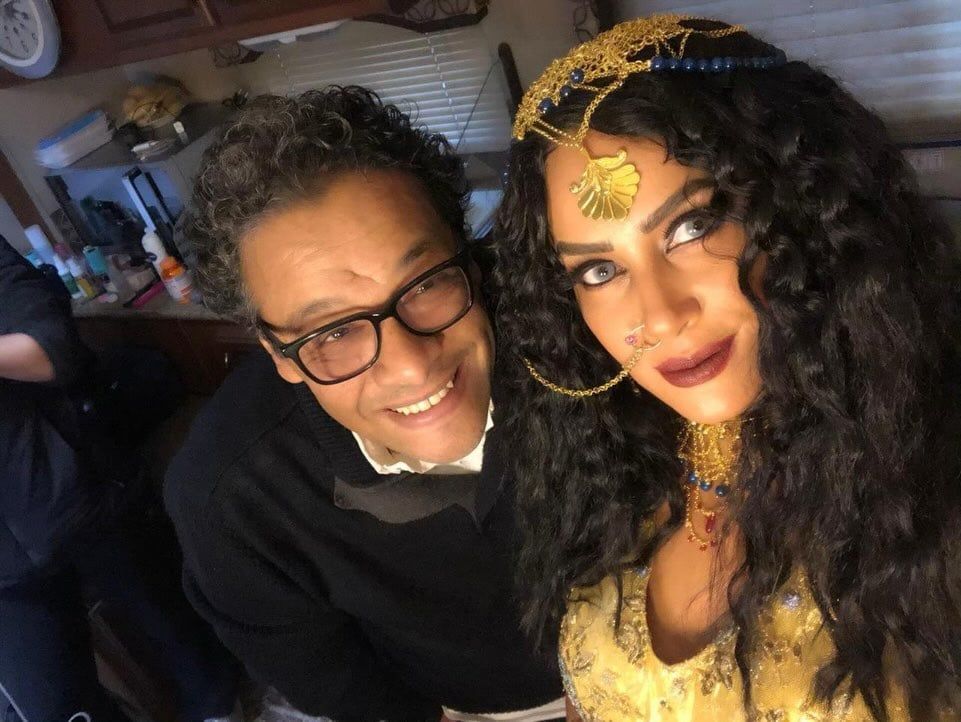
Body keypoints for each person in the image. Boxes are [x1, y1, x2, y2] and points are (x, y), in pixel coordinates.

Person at [492, 15, 961, 722]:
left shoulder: (934, 478)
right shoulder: (604, 474)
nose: (658, 316)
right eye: (598, 270)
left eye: (692, 226)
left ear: (798, 210)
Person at [164, 86, 564, 722]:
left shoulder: (577, 320)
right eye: (332, 332)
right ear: (277, 354)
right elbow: (331, 681)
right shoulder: (230, 499)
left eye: (425, 284)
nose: (410, 365)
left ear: (472, 261)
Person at [0, 236, 239, 722]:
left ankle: (220, 704)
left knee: (171, 627)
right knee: (51, 705)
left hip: (73, 493)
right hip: (8, 567)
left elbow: (53, 348)